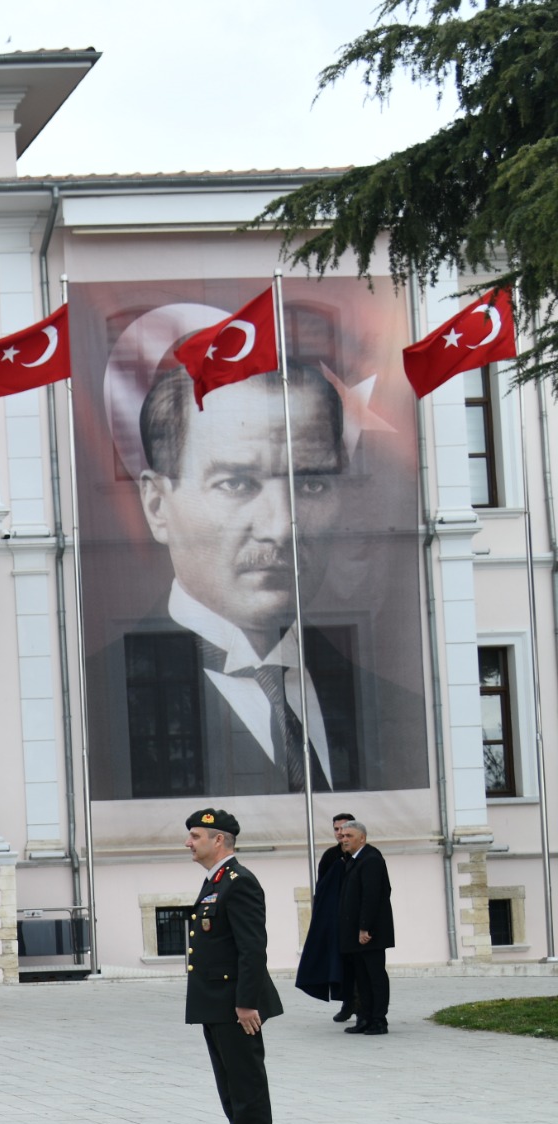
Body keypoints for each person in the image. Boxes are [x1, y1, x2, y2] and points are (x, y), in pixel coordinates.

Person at [106, 360, 421, 796]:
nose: (281, 526)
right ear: (158, 505)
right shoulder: (99, 705)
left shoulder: (399, 710)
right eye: (236, 483)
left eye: (310, 485)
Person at [184, 808, 282, 1124]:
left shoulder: (239, 882)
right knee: (232, 1090)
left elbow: (252, 949)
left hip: (235, 1006)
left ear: (218, 839)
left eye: (195, 836)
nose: (188, 843)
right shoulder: (216, 881)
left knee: (247, 1090)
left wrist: (246, 1003)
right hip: (217, 1003)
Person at [295, 812, 357, 1020]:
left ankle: (363, 1005)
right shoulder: (331, 856)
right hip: (336, 921)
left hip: (357, 920)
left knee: (359, 966)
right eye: (337, 829)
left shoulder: (365, 855)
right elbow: (323, 888)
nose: (340, 834)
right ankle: (348, 1003)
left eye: (344, 829)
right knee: (339, 963)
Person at [337, 819, 394, 1035]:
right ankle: (365, 1017)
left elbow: (372, 897)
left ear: (362, 838)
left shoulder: (371, 859)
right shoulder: (353, 860)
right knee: (361, 978)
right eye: (342, 836)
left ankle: (379, 1019)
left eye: (349, 836)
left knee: (374, 976)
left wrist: (364, 928)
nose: (344, 840)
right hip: (355, 933)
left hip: (370, 933)